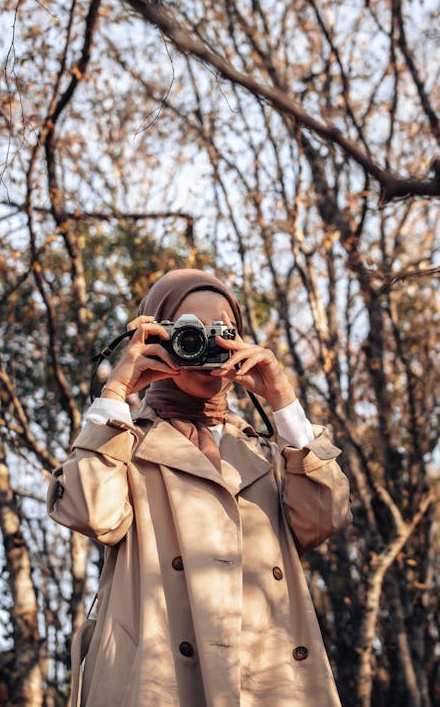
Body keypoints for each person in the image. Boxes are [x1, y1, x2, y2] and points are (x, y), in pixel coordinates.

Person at [47, 269, 351, 707]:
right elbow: (90, 511)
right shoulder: (124, 441)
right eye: (186, 332)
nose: (203, 346)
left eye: (222, 332)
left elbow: (326, 518)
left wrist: (283, 400)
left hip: (270, 681)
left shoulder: (269, 449)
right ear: (155, 335)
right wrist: (116, 392)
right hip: (158, 678)